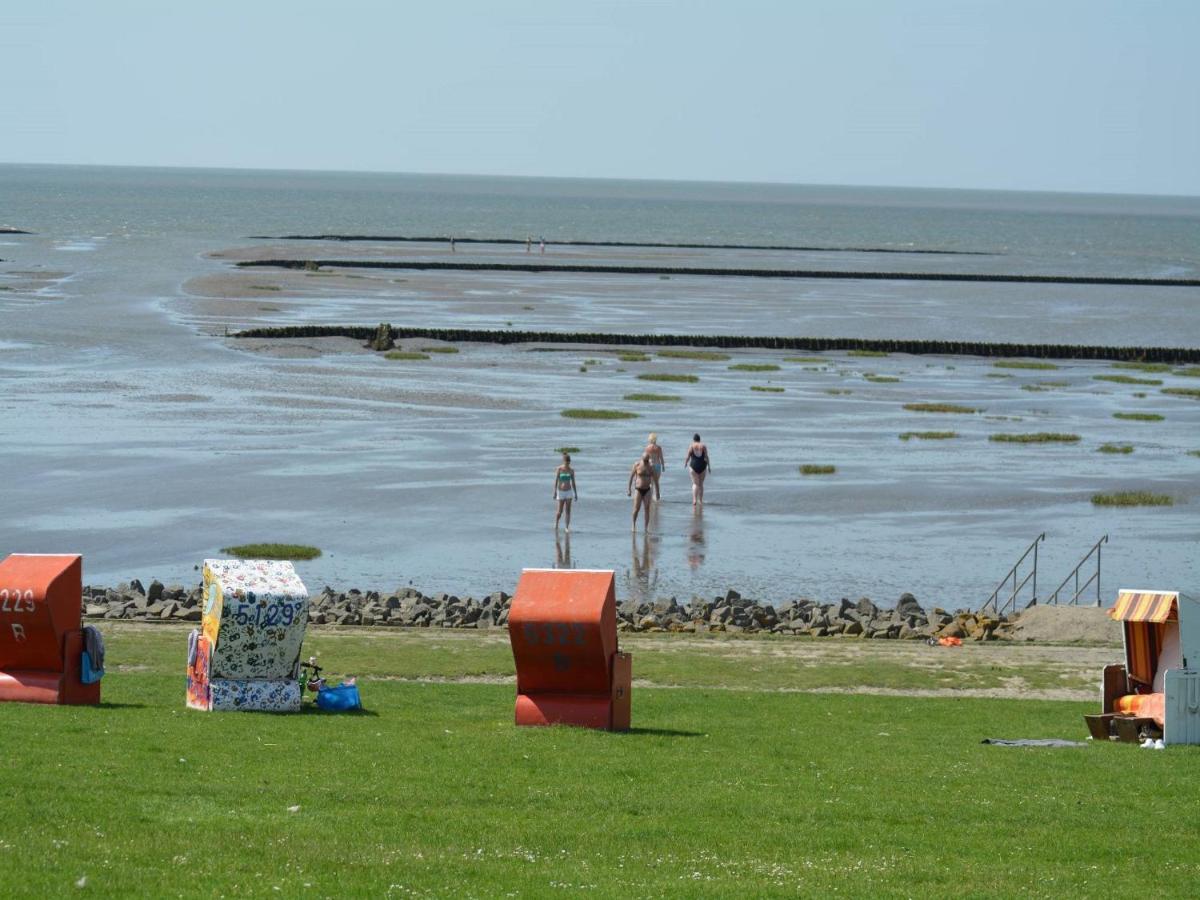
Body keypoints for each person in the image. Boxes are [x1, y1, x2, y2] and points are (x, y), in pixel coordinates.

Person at [627, 453, 655, 531]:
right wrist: (629, 489)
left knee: (647, 508)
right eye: (645, 460)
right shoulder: (637, 464)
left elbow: (655, 480)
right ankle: (633, 524)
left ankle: (646, 528)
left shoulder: (650, 466)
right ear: (642, 458)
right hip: (638, 489)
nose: (646, 462)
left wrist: (658, 492)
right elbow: (631, 477)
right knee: (636, 508)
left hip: (647, 489)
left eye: (647, 460)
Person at [684, 433, 710, 508]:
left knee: (695, 484)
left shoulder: (691, 446)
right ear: (699, 439)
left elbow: (688, 456)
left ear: (693, 439)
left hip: (693, 466)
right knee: (701, 484)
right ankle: (700, 501)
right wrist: (709, 466)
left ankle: (694, 500)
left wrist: (685, 463)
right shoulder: (703, 446)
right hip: (702, 466)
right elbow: (706, 457)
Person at [553, 452, 577, 531]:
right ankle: (556, 523)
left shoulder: (571, 470)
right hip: (561, 492)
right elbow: (556, 480)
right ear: (564, 461)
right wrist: (555, 492)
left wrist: (576, 493)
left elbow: (573, 482)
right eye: (566, 462)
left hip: (569, 492)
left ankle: (566, 527)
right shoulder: (559, 469)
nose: (567, 464)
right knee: (560, 511)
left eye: (569, 462)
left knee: (568, 510)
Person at [644, 433, 665, 500]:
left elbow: (645, 458)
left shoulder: (647, 448)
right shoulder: (658, 448)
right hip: (658, 465)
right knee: (657, 482)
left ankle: (650, 497)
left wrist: (644, 466)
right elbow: (661, 458)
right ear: (655, 439)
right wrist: (663, 466)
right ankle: (656, 497)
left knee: (651, 483)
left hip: (650, 465)